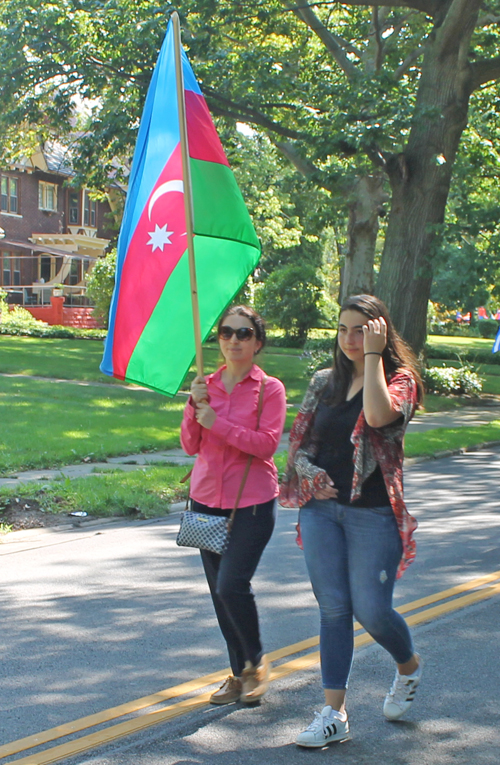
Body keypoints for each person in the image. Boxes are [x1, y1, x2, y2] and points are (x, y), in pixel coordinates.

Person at [280, 294, 424, 748]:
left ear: (380, 331)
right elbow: (299, 444)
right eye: (343, 329)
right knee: (334, 609)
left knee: (372, 610)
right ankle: (334, 714)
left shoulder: (401, 380)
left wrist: (376, 358)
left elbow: (379, 417)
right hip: (321, 509)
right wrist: (311, 474)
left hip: (375, 514)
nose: (349, 339)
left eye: (360, 330)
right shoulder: (325, 382)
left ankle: (408, 666)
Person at [181, 305, 286, 706]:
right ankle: (239, 673)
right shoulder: (205, 386)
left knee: (232, 584)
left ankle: (257, 662)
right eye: (226, 333)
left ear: (257, 343)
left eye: (243, 334)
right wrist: (194, 408)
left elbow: (266, 445)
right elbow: (190, 445)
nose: (233, 340)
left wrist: (216, 423)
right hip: (206, 499)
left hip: (253, 503)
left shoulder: (269, 389)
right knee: (220, 594)